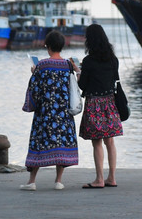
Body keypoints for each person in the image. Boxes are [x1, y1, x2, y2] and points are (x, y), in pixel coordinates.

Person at [20, 30, 79, 191]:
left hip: (45, 114)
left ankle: (32, 181)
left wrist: (34, 74)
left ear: (49, 47)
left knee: (38, 144)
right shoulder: (68, 65)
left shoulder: (42, 65)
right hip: (63, 114)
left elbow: (34, 89)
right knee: (61, 143)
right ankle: (58, 181)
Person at [77, 23, 122, 189]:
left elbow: (83, 85)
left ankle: (99, 179)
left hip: (95, 103)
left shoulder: (88, 61)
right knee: (110, 142)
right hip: (110, 103)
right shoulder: (113, 60)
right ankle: (112, 178)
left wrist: (78, 72)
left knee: (97, 143)